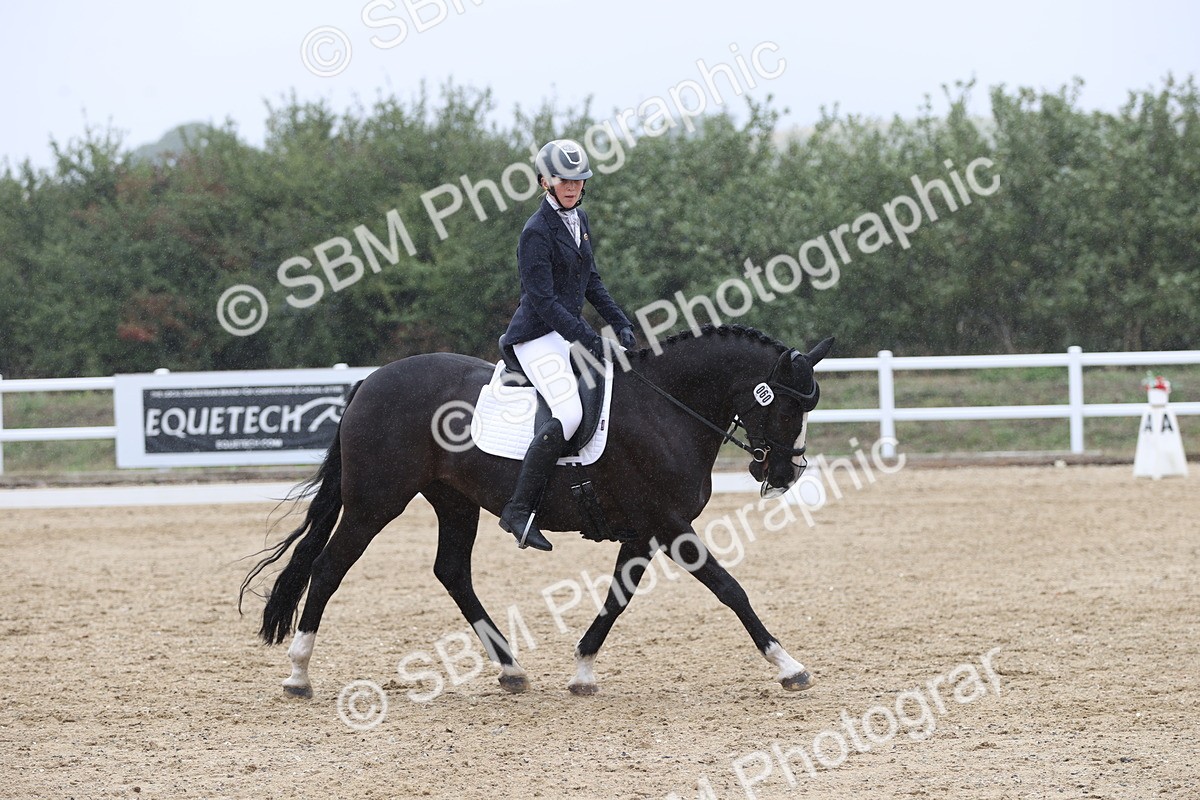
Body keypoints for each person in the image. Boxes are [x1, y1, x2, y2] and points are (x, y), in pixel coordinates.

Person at [498, 138, 637, 551]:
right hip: (535, 337)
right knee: (570, 412)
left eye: (579, 179)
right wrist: (590, 339)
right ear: (545, 182)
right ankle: (520, 509)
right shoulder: (535, 231)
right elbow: (542, 301)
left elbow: (590, 280)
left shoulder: (581, 219)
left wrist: (619, 320)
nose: (573, 186)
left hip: (563, 333)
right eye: (564, 180)